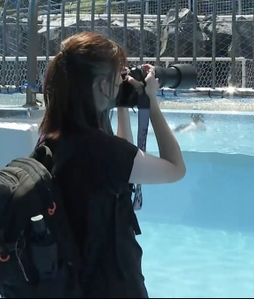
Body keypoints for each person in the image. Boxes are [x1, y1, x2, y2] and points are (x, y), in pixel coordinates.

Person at [37, 32, 186, 298]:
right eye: (119, 76)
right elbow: (176, 168)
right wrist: (151, 105)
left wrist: (121, 104)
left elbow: (119, 164)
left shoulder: (50, 139)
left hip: (73, 285)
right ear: (103, 86)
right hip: (112, 285)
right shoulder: (103, 153)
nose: (124, 80)